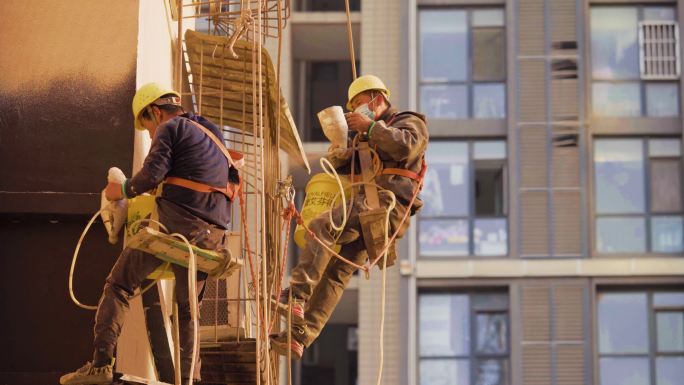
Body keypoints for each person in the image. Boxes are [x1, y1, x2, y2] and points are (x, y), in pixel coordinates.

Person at [60, 83, 239, 384]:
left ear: (155, 112)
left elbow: (151, 175)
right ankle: (190, 379)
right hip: (213, 235)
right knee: (187, 309)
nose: (150, 135)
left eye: (146, 127)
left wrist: (123, 189)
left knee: (118, 285)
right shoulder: (212, 134)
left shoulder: (169, 130)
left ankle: (101, 364)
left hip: (179, 224)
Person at [271, 74, 428, 358]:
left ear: (378, 100)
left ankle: (297, 296)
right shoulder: (368, 137)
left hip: (384, 203)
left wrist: (369, 128)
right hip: (373, 205)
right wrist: (340, 149)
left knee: (321, 227)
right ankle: (299, 337)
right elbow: (348, 167)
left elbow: (405, 146)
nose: (357, 112)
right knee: (336, 274)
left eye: (360, 105)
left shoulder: (408, 122)